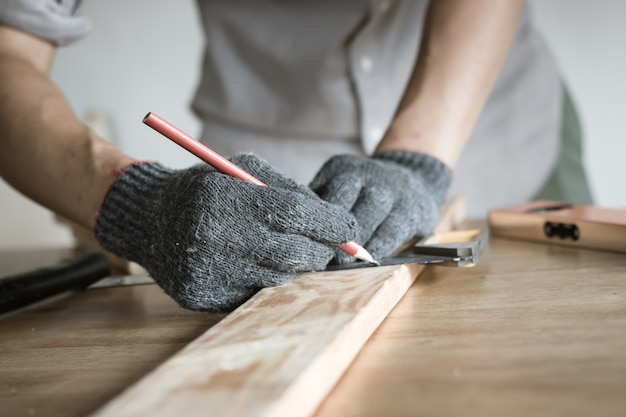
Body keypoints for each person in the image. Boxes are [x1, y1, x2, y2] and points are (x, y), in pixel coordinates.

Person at [0, 1, 593, 312]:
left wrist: (420, 157)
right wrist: (137, 205)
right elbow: (9, 54)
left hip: (495, 123)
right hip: (266, 181)